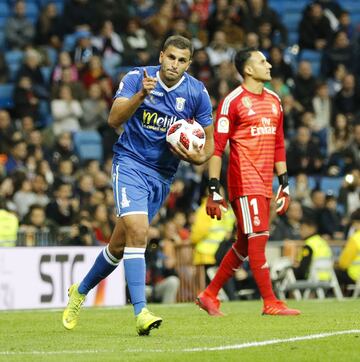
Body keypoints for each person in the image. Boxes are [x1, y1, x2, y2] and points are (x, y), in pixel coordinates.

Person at [62, 35, 214, 335]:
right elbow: (113, 118)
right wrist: (140, 97)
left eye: (182, 60)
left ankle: (79, 291)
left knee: (118, 246)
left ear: (189, 63)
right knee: (140, 232)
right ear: (161, 55)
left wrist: (198, 158)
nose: (175, 64)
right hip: (130, 163)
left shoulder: (197, 92)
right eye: (171, 57)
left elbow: (209, 143)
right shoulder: (137, 78)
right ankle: (141, 311)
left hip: (162, 176)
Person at [195, 47, 300, 317]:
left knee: (244, 243)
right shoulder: (233, 101)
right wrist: (214, 188)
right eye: (263, 61)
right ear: (248, 69)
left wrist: (284, 184)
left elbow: (278, 144)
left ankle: (209, 295)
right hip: (244, 181)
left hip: (265, 182)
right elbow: (217, 148)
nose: (269, 65)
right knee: (258, 239)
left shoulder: (275, 100)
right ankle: (270, 301)